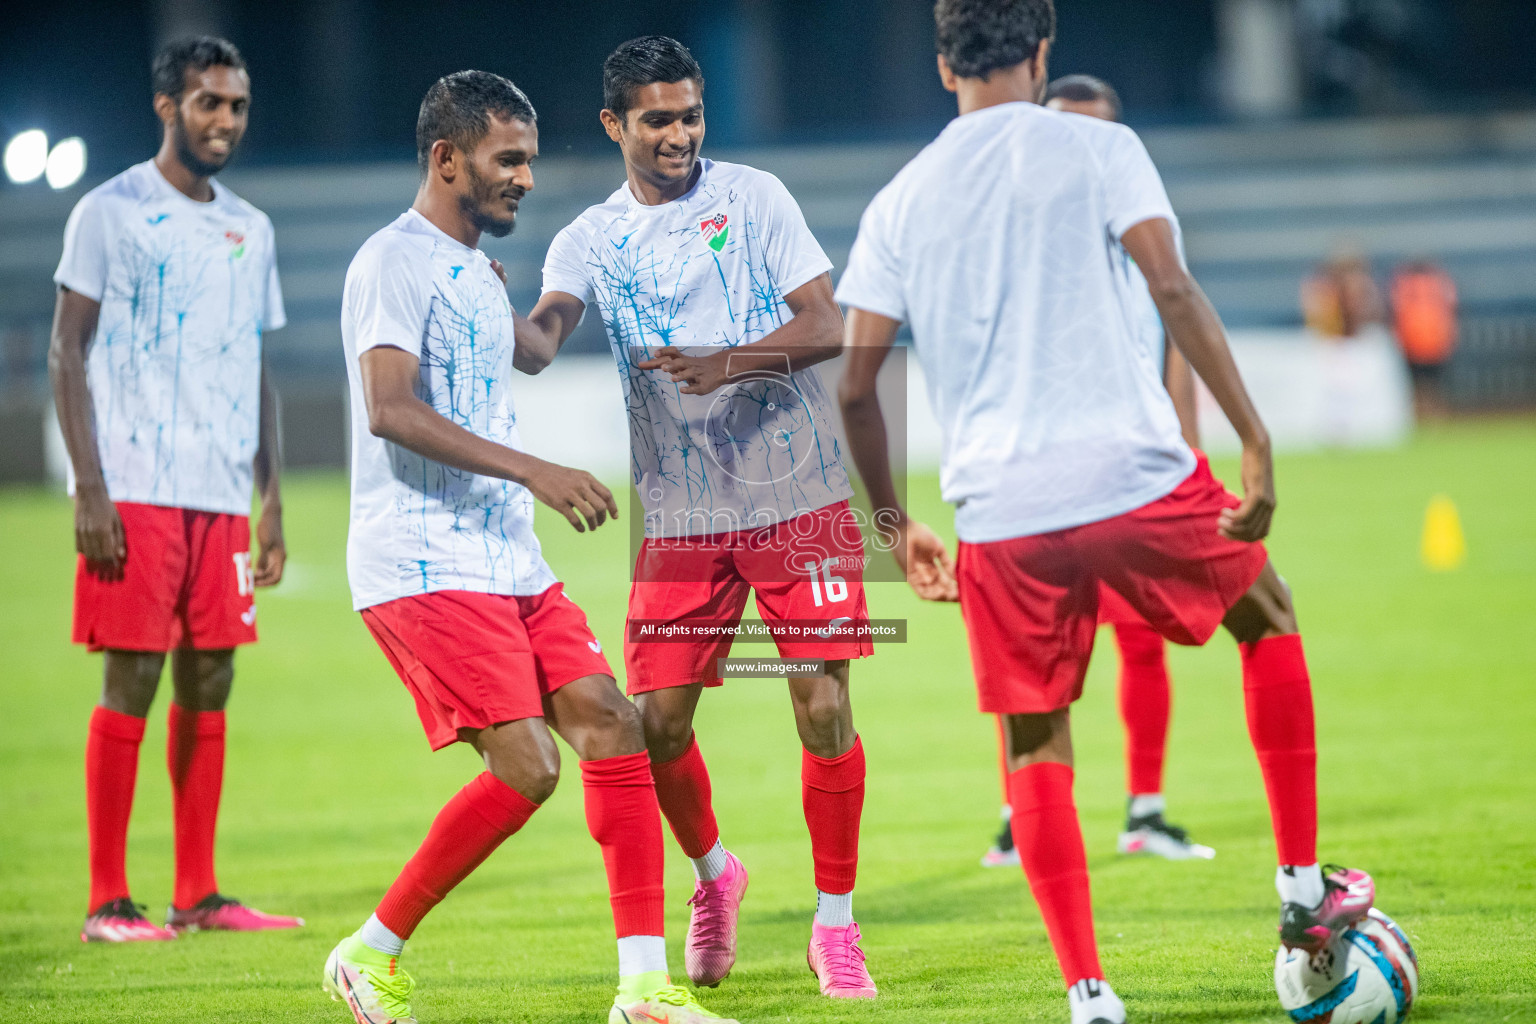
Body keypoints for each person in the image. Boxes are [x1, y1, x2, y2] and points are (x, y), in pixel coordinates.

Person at [835, 3, 1374, 1022]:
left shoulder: (899, 202)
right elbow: (1170, 285)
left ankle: (1089, 993)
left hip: (1001, 509)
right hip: (1134, 476)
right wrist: (1252, 438)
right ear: (1042, 53)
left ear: (945, 63)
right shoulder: (1100, 147)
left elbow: (858, 390)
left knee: (1036, 741)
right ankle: (1304, 887)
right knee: (1271, 617)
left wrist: (893, 527)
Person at [321, 70, 732, 1024]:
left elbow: (528, 349)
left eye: (531, 160)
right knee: (530, 768)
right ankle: (368, 953)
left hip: (505, 560)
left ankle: (642, 991)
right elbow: (389, 408)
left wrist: (571, 287)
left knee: (612, 725)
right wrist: (535, 470)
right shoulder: (393, 261)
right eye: (508, 160)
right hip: (421, 561)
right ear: (446, 158)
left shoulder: (468, 267)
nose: (526, 178)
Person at [514, 36, 877, 1000]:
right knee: (658, 725)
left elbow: (827, 322)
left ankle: (835, 926)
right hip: (679, 514)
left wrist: (728, 361)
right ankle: (715, 877)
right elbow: (549, 325)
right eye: (657, 120)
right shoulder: (589, 237)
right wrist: (513, 334)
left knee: (824, 703)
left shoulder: (755, 198)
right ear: (614, 125)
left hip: (796, 497)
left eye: (690, 115)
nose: (679, 136)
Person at [49, 35, 301, 942]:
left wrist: (269, 499)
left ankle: (197, 893)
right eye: (207, 103)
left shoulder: (251, 227)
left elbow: (257, 366)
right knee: (135, 677)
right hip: (137, 485)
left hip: (220, 495)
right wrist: (90, 487)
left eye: (235, 105)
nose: (225, 120)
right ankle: (107, 902)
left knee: (213, 677)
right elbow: (65, 351)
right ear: (168, 107)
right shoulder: (108, 212)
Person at [980, 73, 1212, 869]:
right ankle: (1019, 816)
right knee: (1029, 658)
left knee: (1143, 641)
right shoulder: (1010, 246)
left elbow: (1171, 349)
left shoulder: (1141, 237)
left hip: (1134, 473)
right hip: (1037, 480)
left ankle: (1144, 812)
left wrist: (1191, 452)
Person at [1390, 259, 1458, 419]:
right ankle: (1428, 416)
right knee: (1427, 385)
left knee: (1424, 385)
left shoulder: (1404, 284)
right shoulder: (1439, 282)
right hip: (1428, 342)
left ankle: (1427, 416)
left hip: (1418, 342)